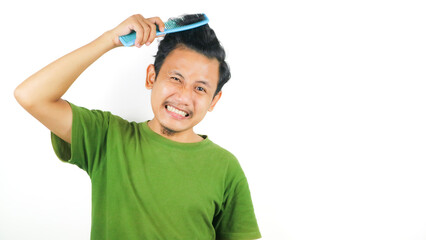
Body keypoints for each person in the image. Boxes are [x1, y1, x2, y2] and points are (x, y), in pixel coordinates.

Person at [14, 13, 261, 240]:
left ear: (213, 101)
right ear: (151, 77)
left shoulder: (226, 167)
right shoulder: (107, 137)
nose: (184, 97)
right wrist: (109, 39)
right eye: (176, 79)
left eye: (200, 88)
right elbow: (30, 95)